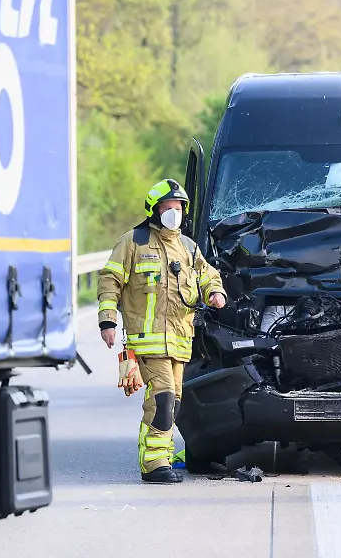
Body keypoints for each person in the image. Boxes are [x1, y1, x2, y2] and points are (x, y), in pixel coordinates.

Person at [97, 178, 227, 484]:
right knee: (163, 398)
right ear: (154, 211)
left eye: (179, 208)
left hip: (180, 342)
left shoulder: (187, 247)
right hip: (149, 342)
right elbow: (110, 280)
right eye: (168, 208)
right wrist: (107, 321)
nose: (174, 213)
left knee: (174, 402)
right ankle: (154, 464)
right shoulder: (134, 242)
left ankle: (162, 457)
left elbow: (208, 274)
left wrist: (215, 292)